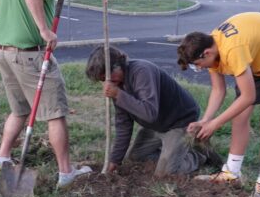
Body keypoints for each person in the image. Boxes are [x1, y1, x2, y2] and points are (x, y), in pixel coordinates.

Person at [0, 0, 91, 188]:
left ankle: (1, 159)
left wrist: (18, 22)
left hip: (5, 51)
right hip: (30, 54)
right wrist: (44, 30)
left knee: (19, 110)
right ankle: (66, 173)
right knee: (55, 112)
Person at [177, 12, 260, 197]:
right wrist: (205, 121)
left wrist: (216, 124)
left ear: (207, 53)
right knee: (239, 116)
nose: (199, 68)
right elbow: (218, 90)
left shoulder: (232, 51)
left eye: (197, 65)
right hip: (257, 55)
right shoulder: (210, 47)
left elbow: (248, 96)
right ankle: (231, 174)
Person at [85, 46, 222, 176]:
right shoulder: (117, 85)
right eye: (101, 80)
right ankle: (174, 150)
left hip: (179, 121)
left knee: (166, 173)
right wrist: (115, 160)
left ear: (117, 66)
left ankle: (198, 154)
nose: (105, 84)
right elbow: (124, 125)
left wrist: (118, 95)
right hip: (157, 125)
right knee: (135, 157)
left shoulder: (142, 71)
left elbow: (149, 113)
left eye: (105, 78)